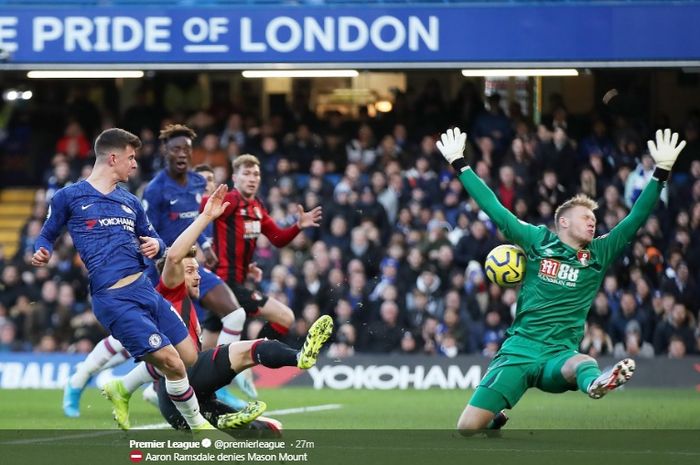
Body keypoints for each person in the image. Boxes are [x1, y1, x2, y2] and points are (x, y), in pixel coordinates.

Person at [435, 127, 686, 433]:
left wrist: (661, 173)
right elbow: (495, 209)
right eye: (586, 217)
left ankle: (595, 383)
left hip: (559, 353)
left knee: (580, 363)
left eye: (594, 219)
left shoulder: (599, 252)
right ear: (563, 222)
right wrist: (460, 164)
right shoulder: (537, 241)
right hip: (520, 349)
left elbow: (634, 219)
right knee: (466, 428)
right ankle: (494, 416)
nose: (593, 222)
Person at [102, 184, 333, 431]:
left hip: (186, 402)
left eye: (197, 271)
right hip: (181, 389)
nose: (198, 276)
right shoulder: (169, 291)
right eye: (190, 271)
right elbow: (173, 257)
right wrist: (206, 217)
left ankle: (223, 419)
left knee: (269, 431)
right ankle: (299, 356)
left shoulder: (185, 306)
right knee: (249, 349)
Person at [32, 128, 216, 431]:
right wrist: (41, 249)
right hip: (115, 299)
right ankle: (199, 427)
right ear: (113, 157)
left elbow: (158, 243)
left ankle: (123, 387)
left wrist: (157, 246)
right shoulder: (70, 196)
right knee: (171, 361)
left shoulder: (130, 201)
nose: (135, 164)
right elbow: (46, 233)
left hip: (146, 290)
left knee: (189, 357)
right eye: (131, 158)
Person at [202, 154, 322, 345]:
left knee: (201, 357)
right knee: (286, 317)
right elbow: (203, 207)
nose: (252, 178)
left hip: (233, 284)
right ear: (235, 178)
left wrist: (298, 226)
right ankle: (253, 354)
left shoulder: (257, 206)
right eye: (247, 173)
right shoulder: (231, 200)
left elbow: (277, 238)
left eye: (256, 174)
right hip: (226, 284)